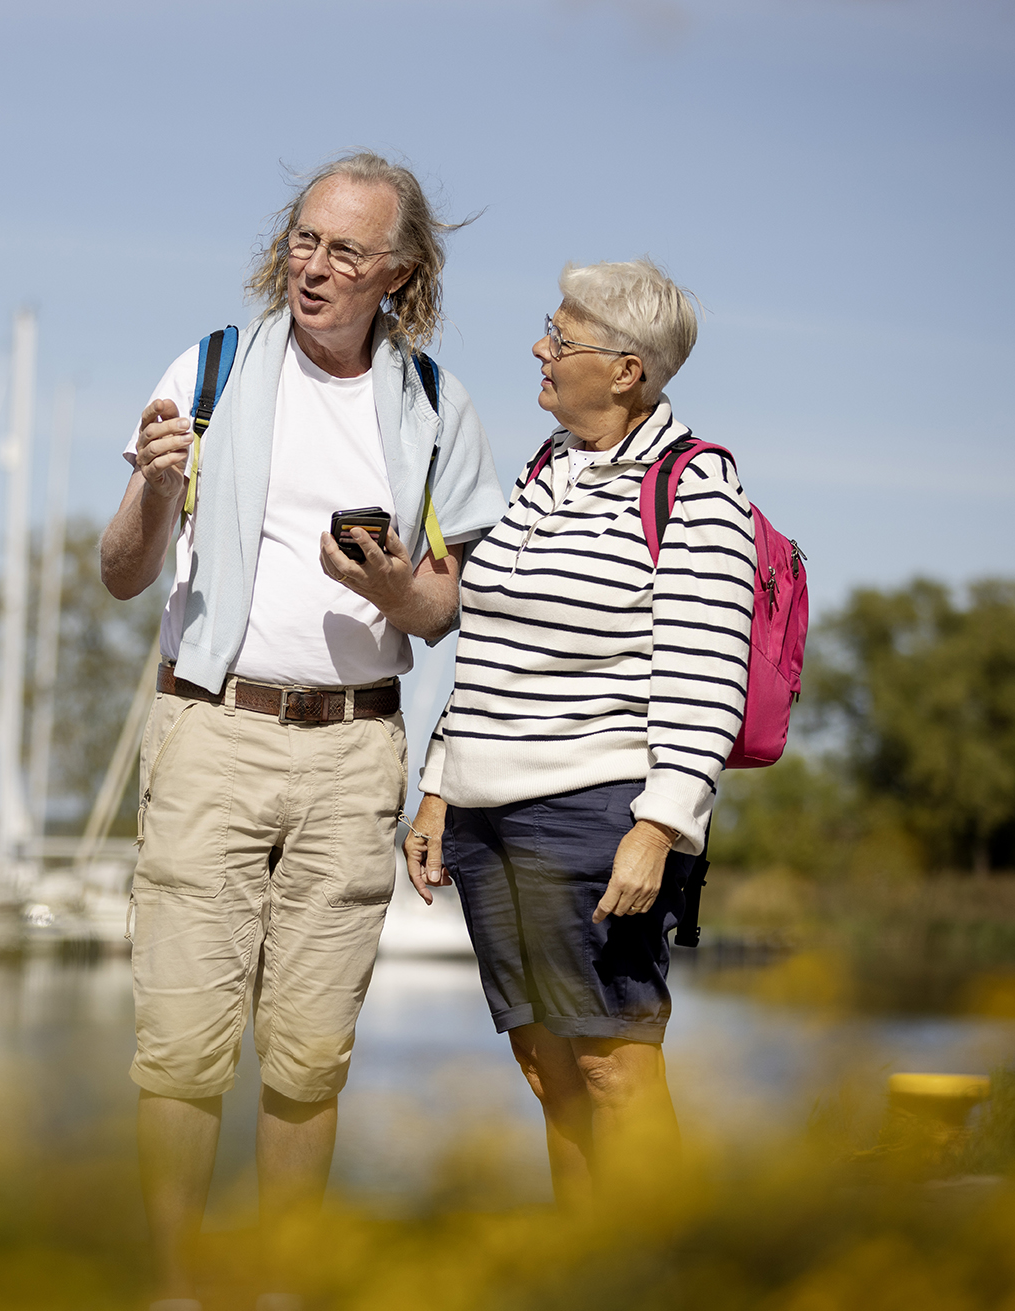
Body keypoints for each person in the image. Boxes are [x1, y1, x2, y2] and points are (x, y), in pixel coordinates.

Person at [101, 152, 506, 1311]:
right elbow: (123, 577)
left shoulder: (435, 405)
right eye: (303, 241)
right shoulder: (210, 369)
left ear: (399, 273)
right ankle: (176, 1290)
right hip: (210, 730)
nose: (314, 267)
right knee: (179, 1050)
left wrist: (389, 588)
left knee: (308, 1057)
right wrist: (153, 490)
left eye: (344, 251)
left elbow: (441, 608)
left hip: (352, 750)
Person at [404, 258, 756, 1205]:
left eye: (561, 336)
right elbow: (485, 648)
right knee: (548, 1070)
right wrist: (440, 781)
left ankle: (669, 1278)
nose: (540, 349)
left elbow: (708, 673)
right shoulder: (543, 469)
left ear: (628, 369)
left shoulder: (696, 488)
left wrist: (663, 823)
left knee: (614, 1068)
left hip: (597, 813)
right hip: (487, 816)